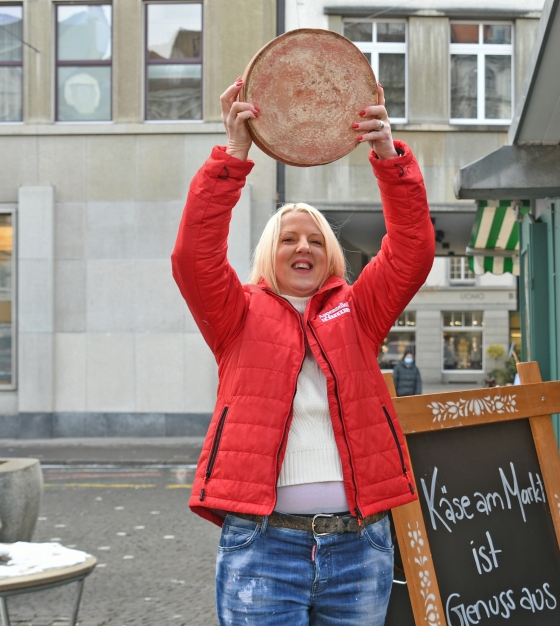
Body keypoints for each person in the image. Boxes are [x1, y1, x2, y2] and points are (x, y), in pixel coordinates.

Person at [171, 75, 434, 626]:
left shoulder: (359, 311)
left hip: (359, 548)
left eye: (316, 239)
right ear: (270, 252)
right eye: (289, 237)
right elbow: (194, 255)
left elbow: (412, 250)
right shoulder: (235, 314)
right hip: (263, 549)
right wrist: (234, 155)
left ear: (331, 257)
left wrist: (389, 157)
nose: (303, 246)